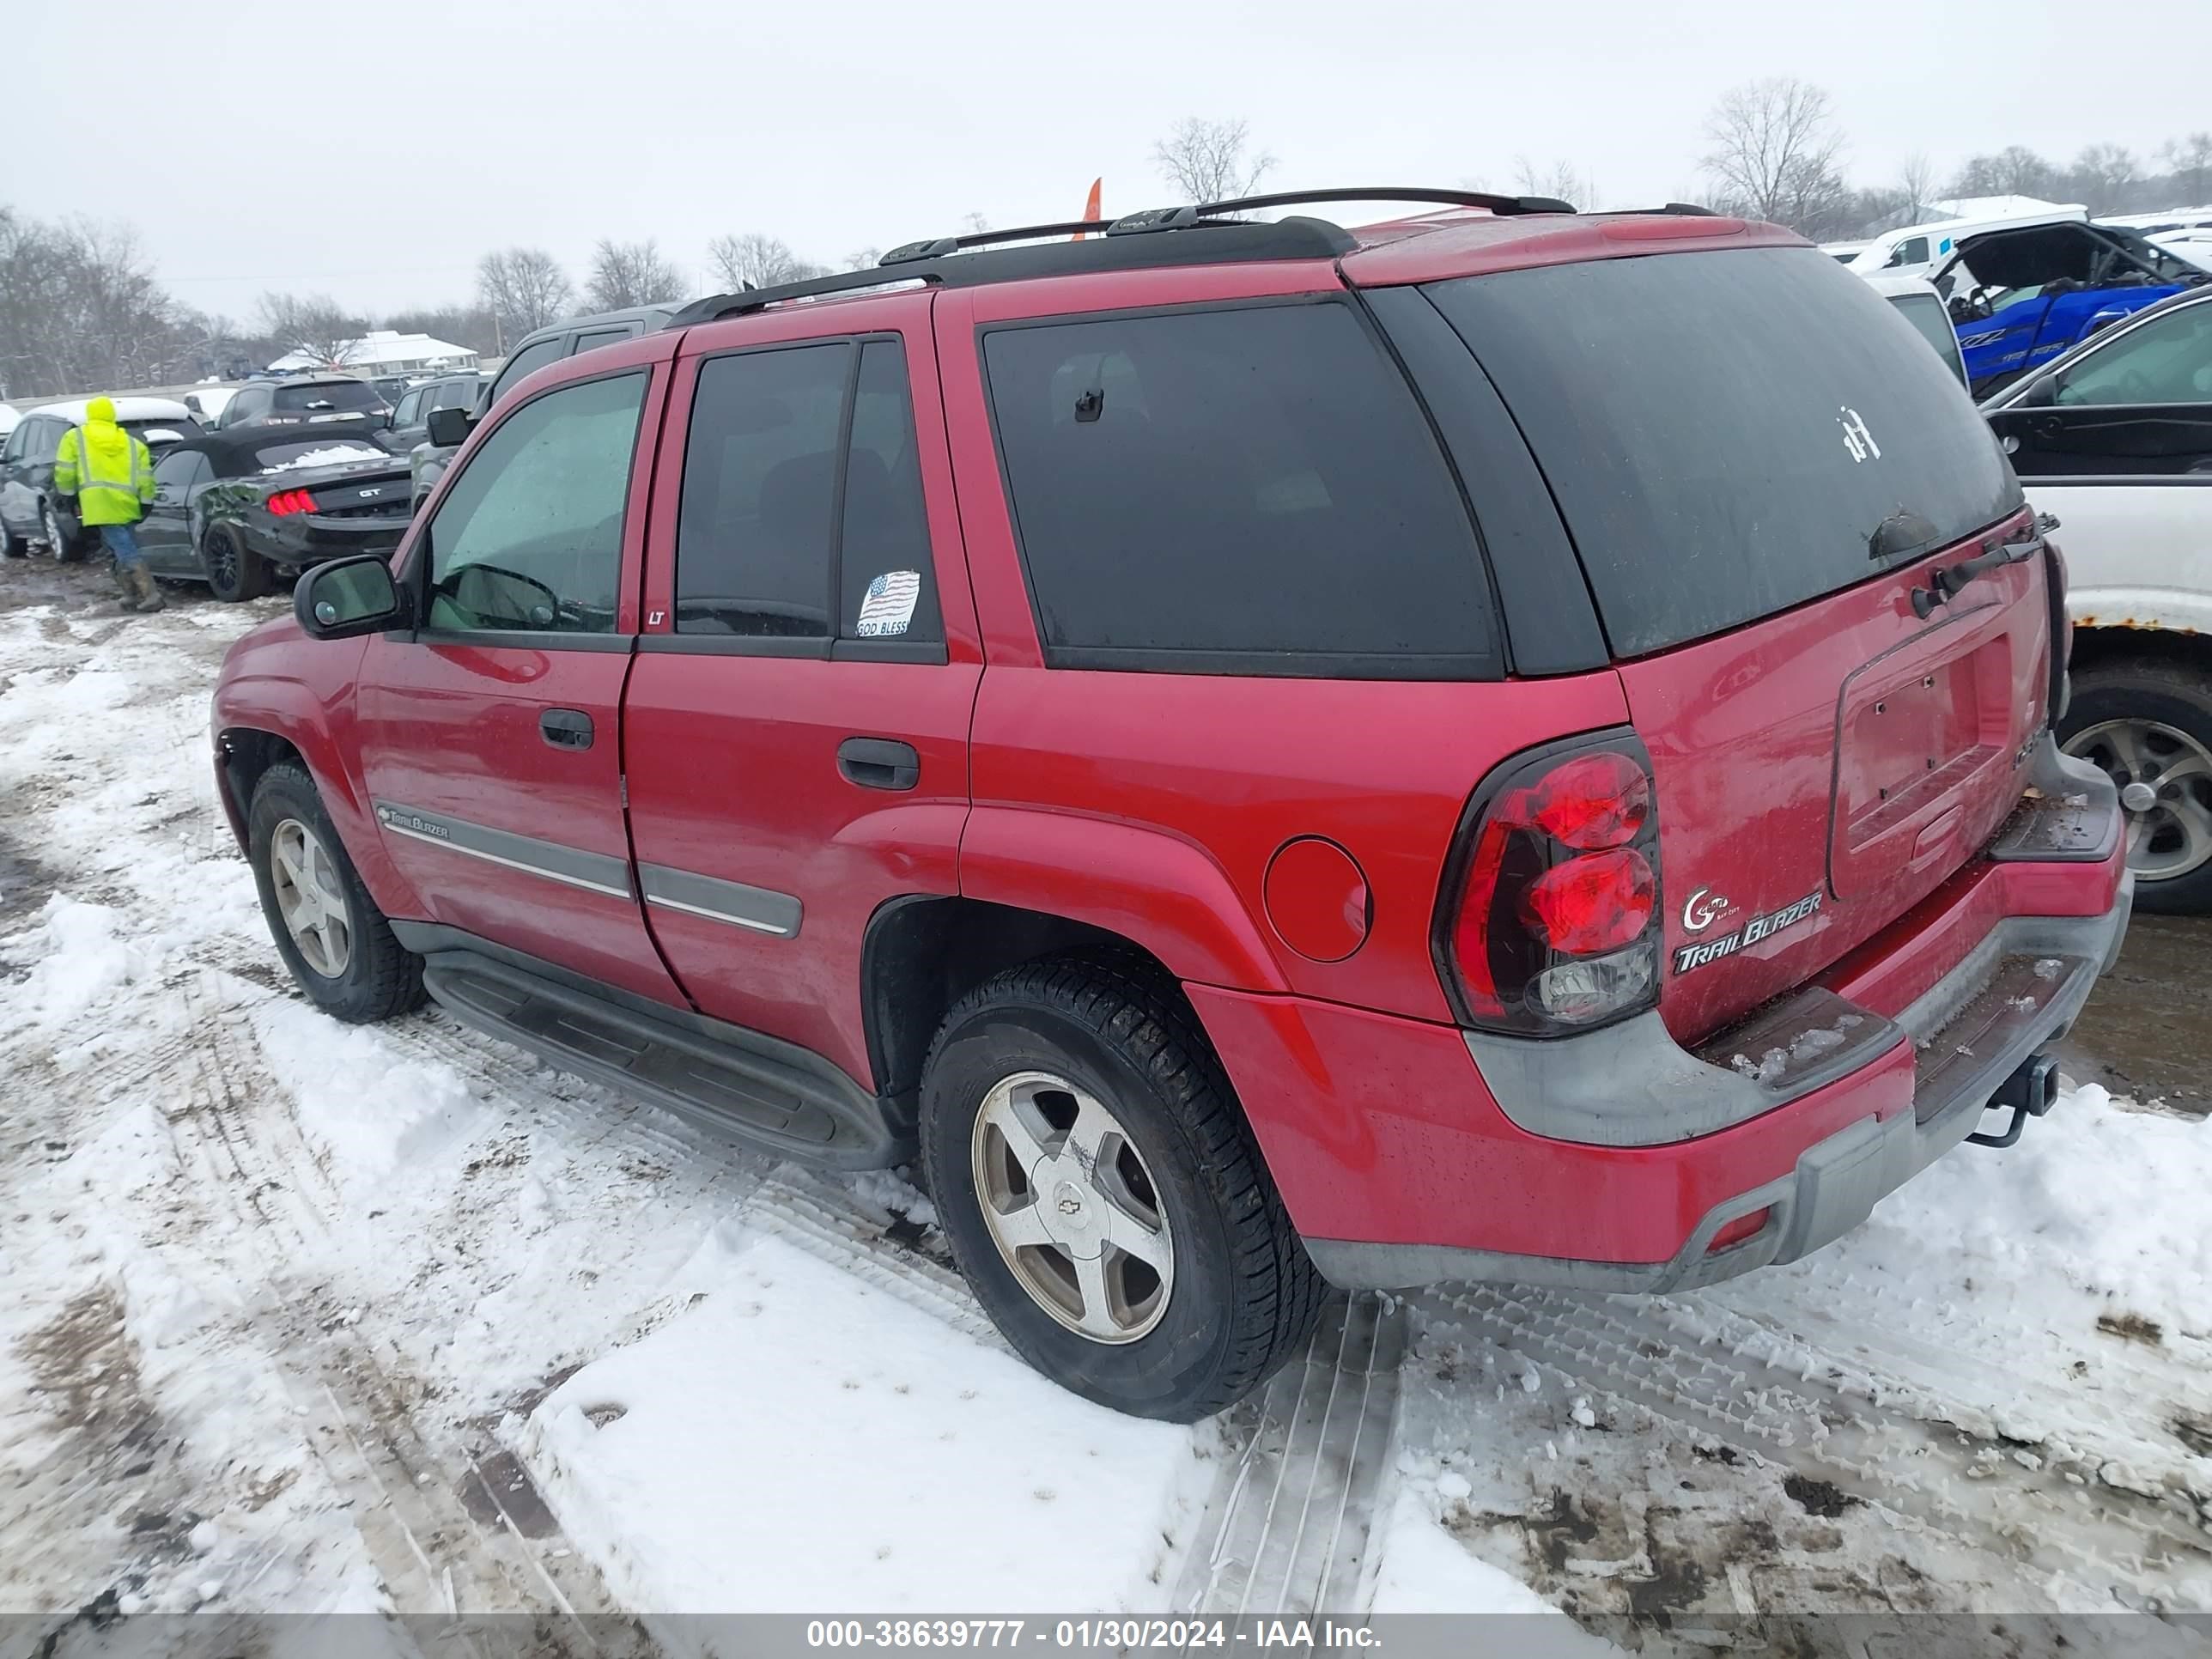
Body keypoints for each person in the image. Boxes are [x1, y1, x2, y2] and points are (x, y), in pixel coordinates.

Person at [52, 397, 162, 613]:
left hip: (98, 503)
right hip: (128, 503)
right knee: (120, 545)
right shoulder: (133, 443)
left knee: (123, 549)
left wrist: (69, 497)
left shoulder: (75, 438)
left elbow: (64, 471)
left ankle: (151, 595)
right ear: (112, 415)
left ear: (90, 415)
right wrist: (146, 502)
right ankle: (132, 595)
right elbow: (145, 478)